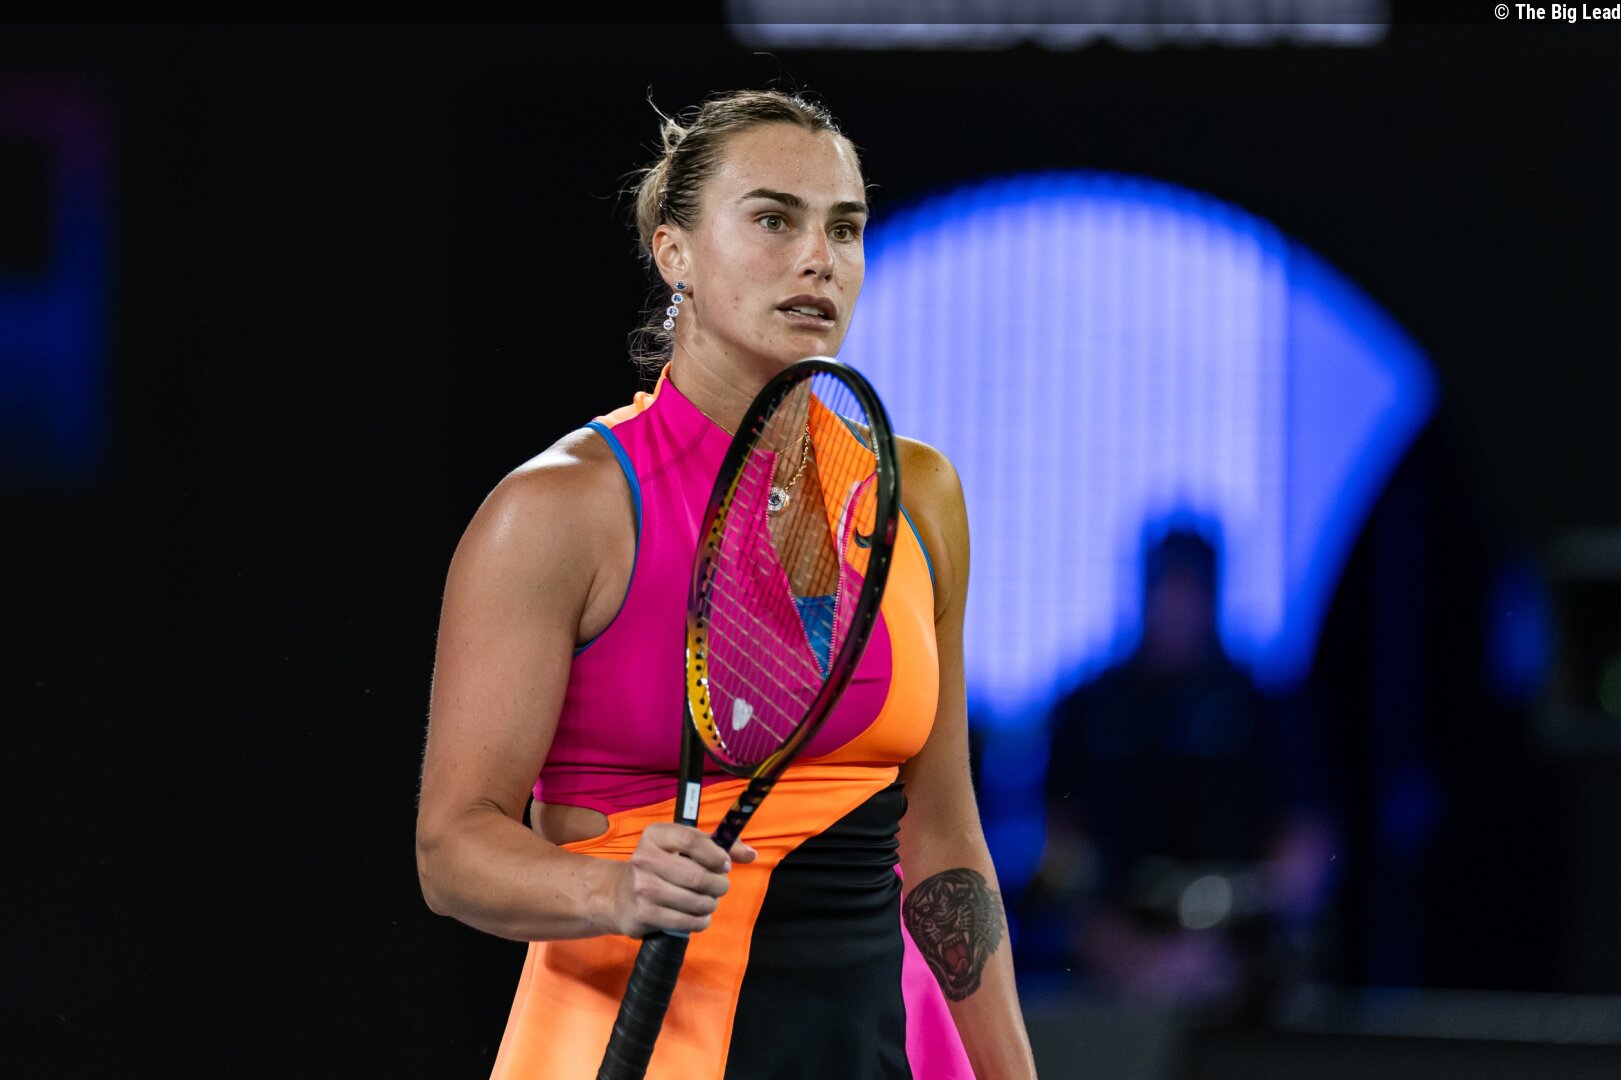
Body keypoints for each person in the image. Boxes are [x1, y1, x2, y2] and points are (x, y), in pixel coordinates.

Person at [414, 90, 1037, 1078]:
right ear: (674, 254)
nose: (818, 258)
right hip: (635, 1043)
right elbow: (451, 851)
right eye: (773, 220)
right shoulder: (558, 511)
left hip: (878, 1047)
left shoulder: (917, 495)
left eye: (844, 229)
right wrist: (612, 891)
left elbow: (945, 837)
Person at [1028, 526, 1335, 1018]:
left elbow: (1304, 854)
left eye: (1190, 591)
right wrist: (1129, 957)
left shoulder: (1264, 710)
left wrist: (1227, 954)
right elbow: (1060, 856)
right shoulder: (1091, 710)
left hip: (1237, 969)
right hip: (1113, 969)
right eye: (1166, 588)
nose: (1177, 608)